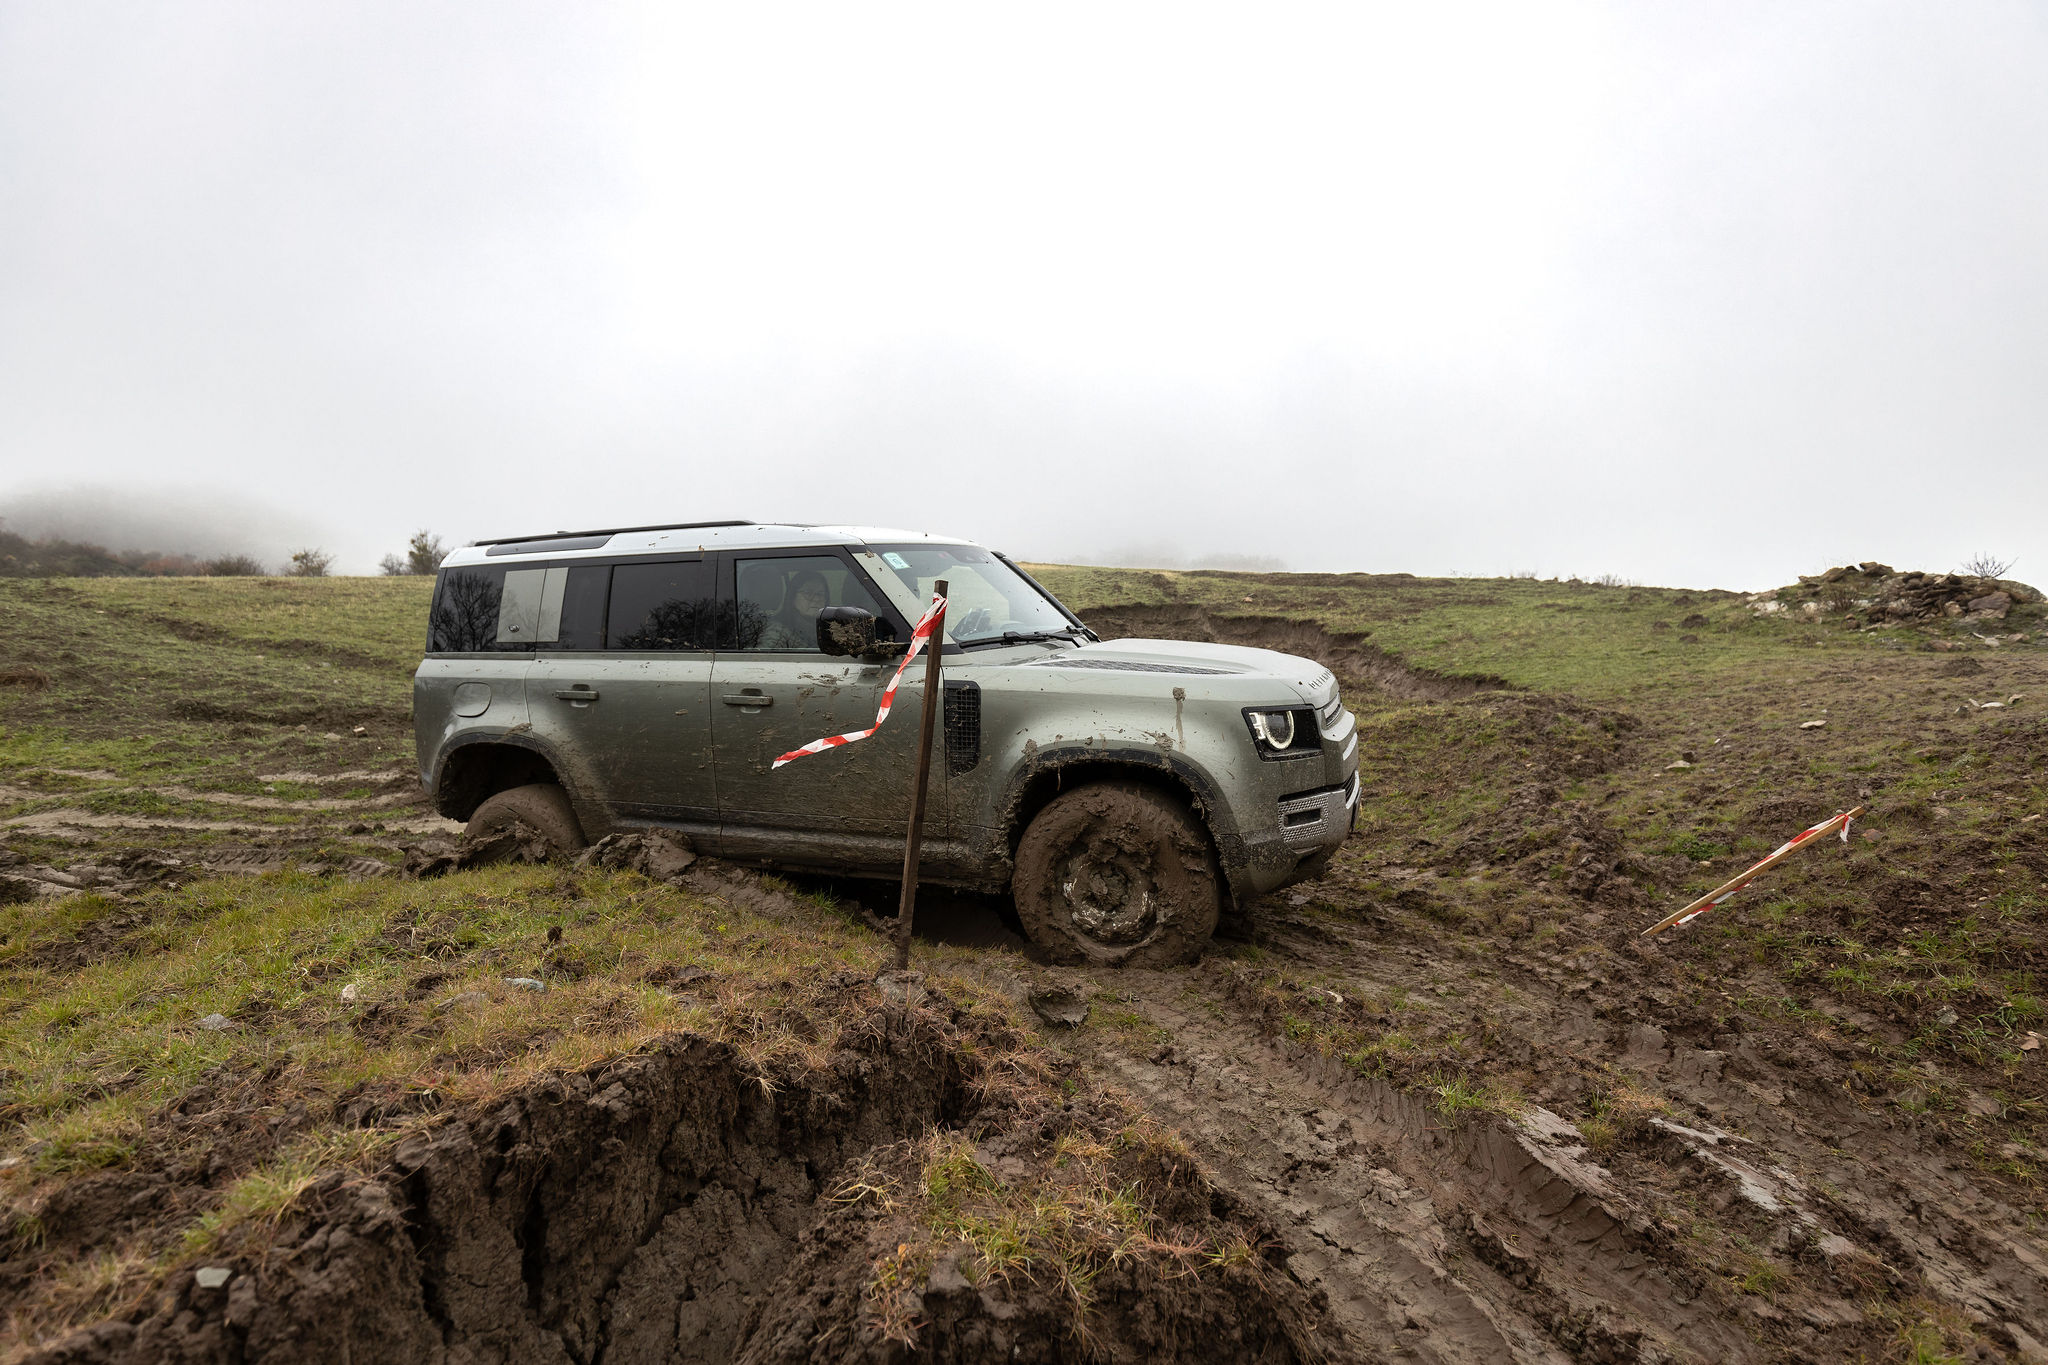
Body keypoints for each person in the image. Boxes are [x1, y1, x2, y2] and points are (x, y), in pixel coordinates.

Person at [757, 570, 830, 650]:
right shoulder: (778, 631)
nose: (816, 599)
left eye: (820, 594)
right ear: (792, 597)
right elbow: (765, 660)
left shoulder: (828, 628)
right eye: (808, 593)